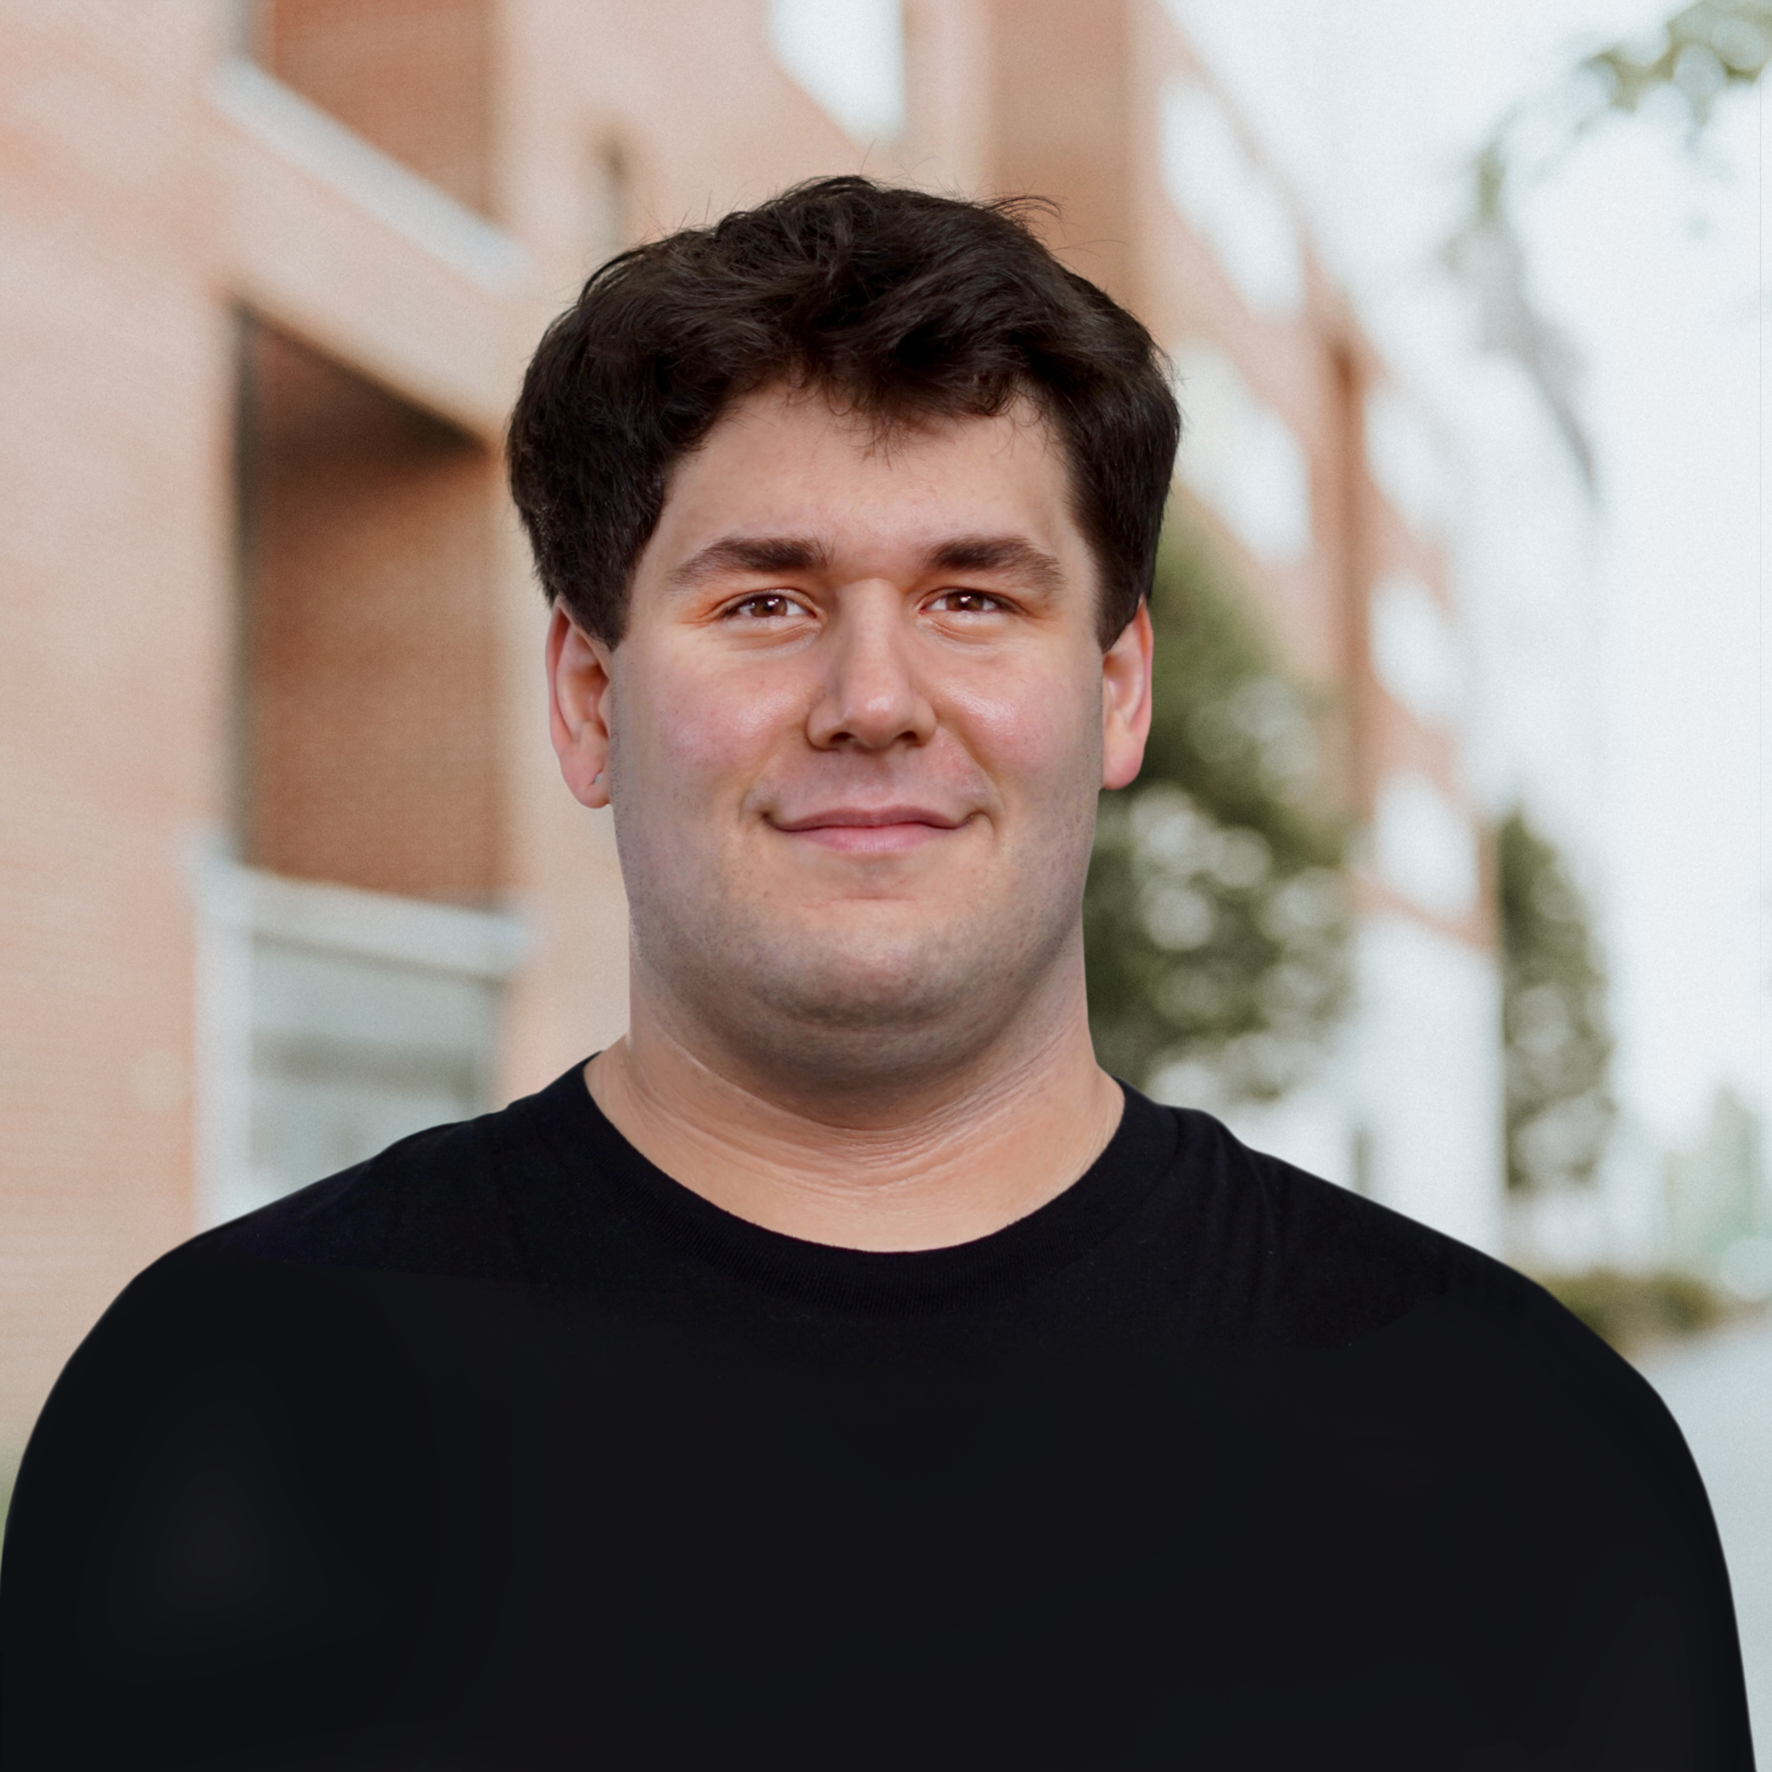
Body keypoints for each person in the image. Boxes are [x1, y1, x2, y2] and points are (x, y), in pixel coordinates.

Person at [0, 177, 1753, 1769]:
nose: (873, 699)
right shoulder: (234, 1413)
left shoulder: (1515, 1454)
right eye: (765, 602)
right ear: (591, 702)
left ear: (1118, 692)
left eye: (974, 599)